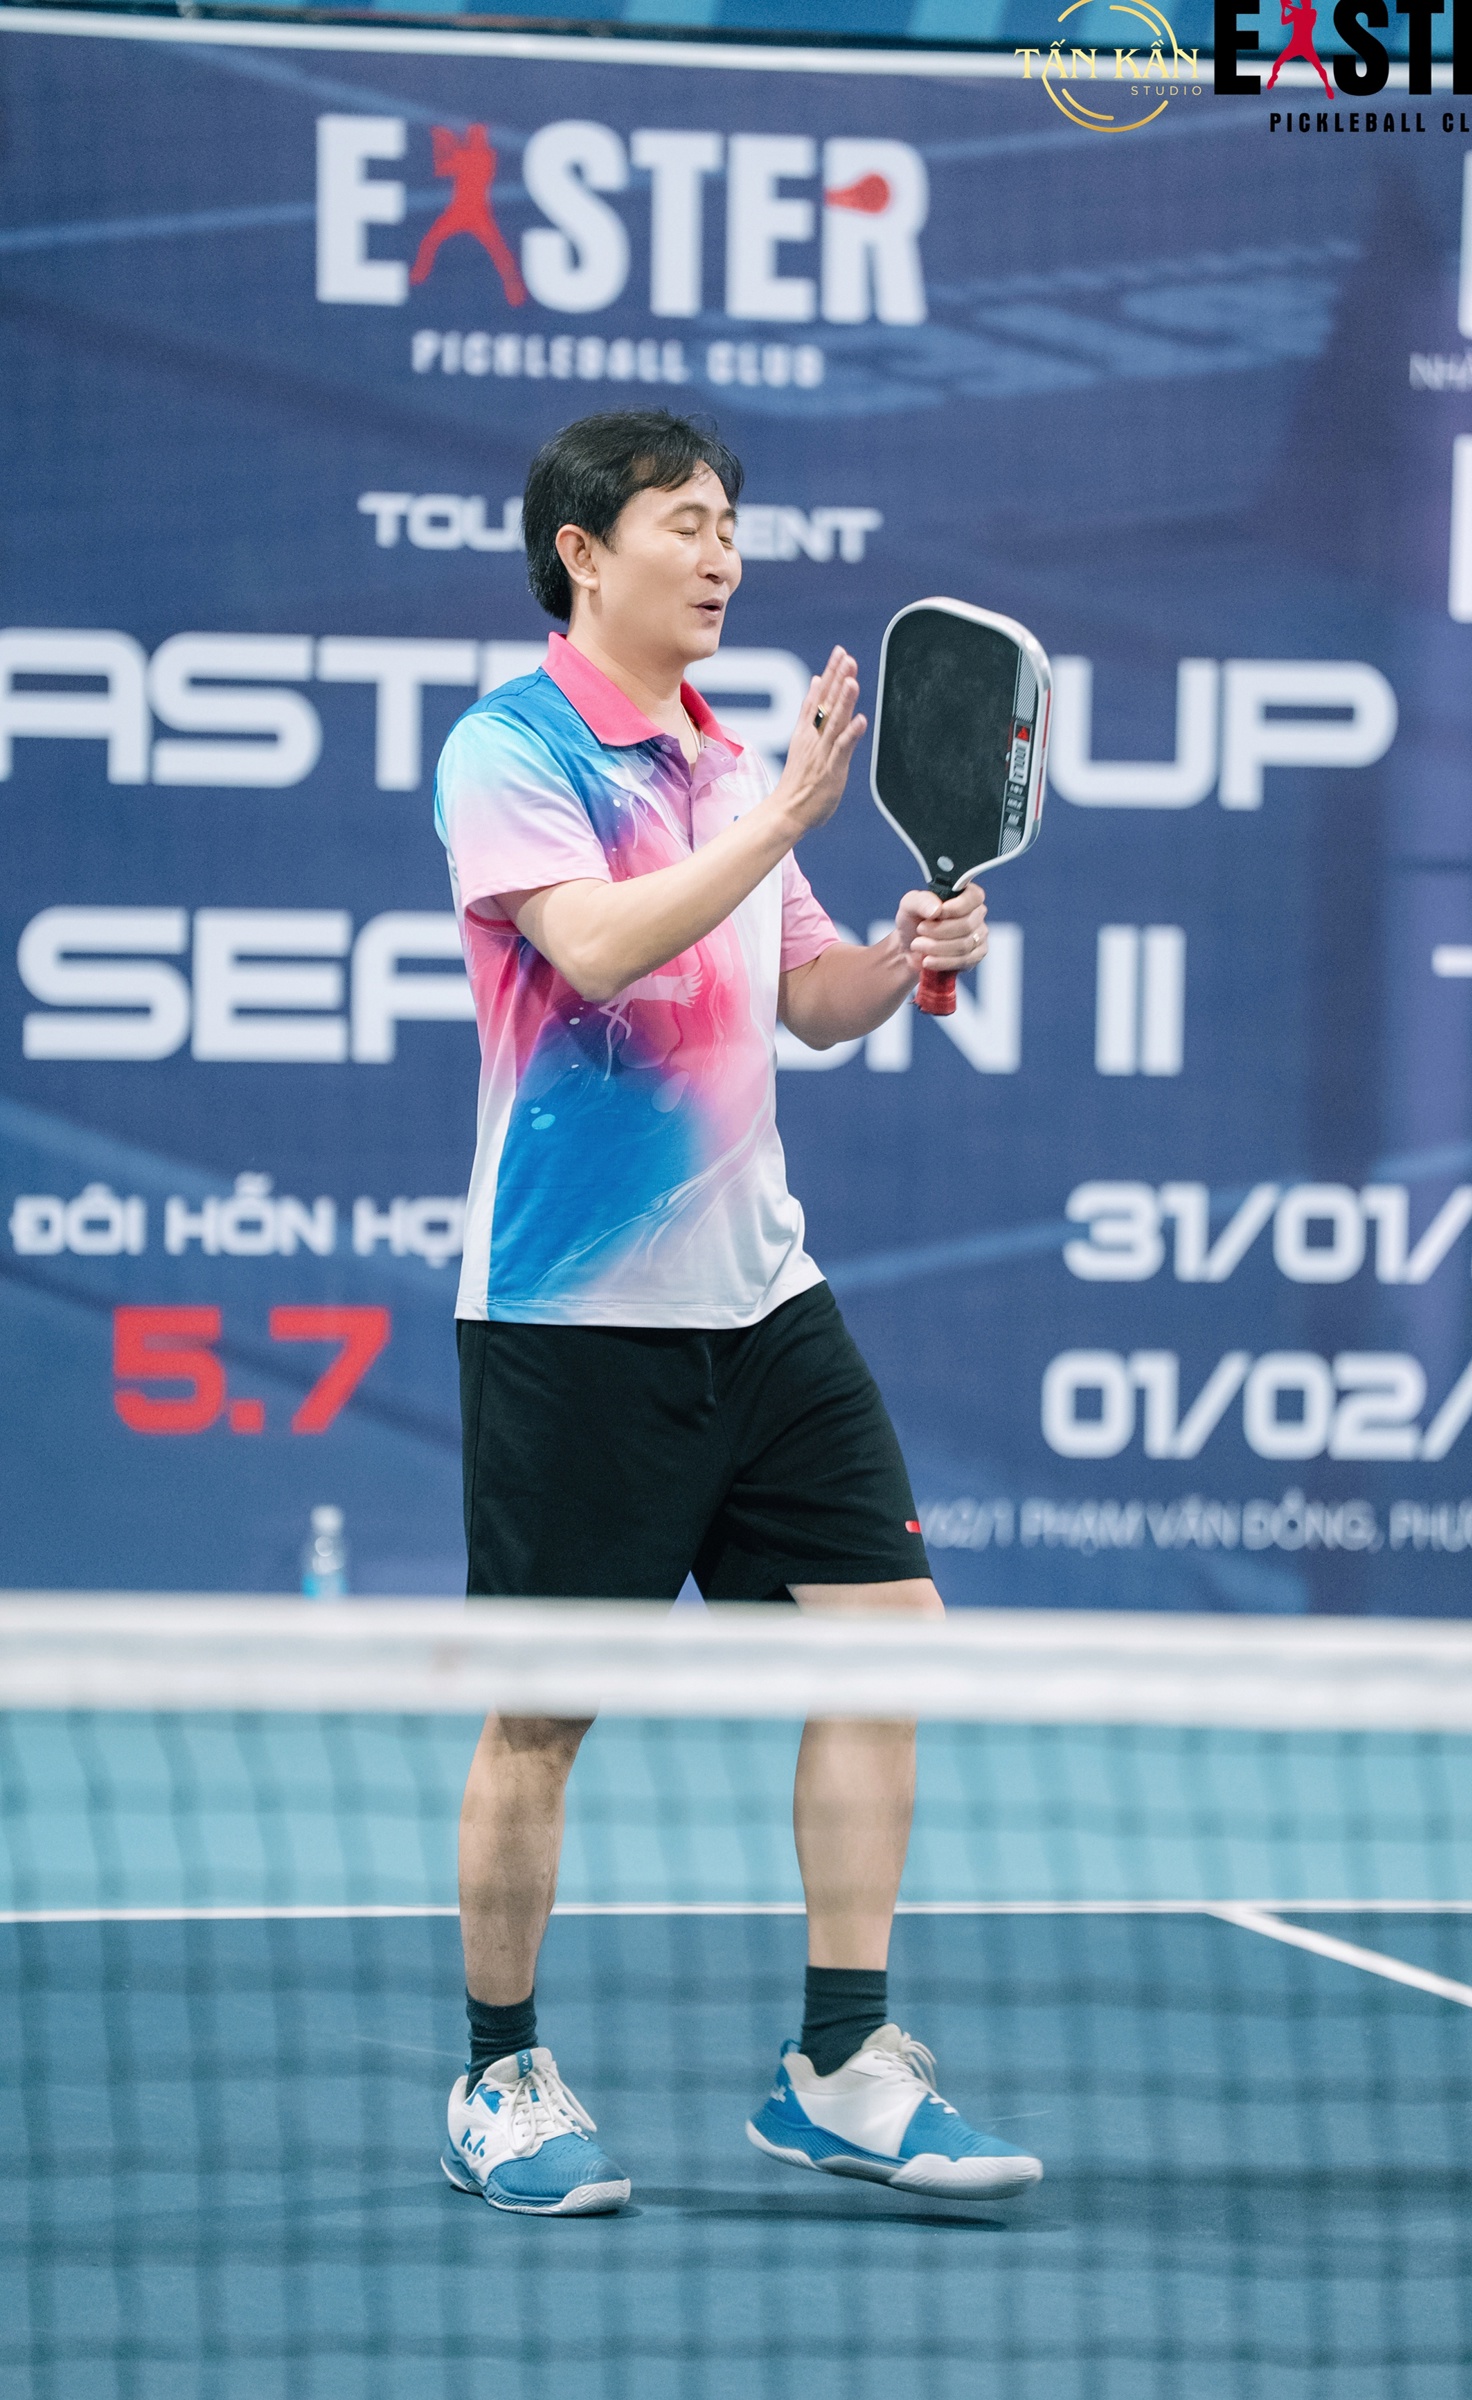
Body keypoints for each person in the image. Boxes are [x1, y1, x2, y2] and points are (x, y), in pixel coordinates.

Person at [432, 407, 1043, 2216]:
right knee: (545, 1716)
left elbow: (811, 1003)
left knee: (886, 1645)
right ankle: (498, 2077)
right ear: (581, 553)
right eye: (685, 525)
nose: (722, 556)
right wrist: (783, 813)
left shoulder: (720, 758)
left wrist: (903, 955)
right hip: (572, 1319)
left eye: (730, 527)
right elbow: (595, 945)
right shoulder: (512, 746)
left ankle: (840, 2061)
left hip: (763, 1301)